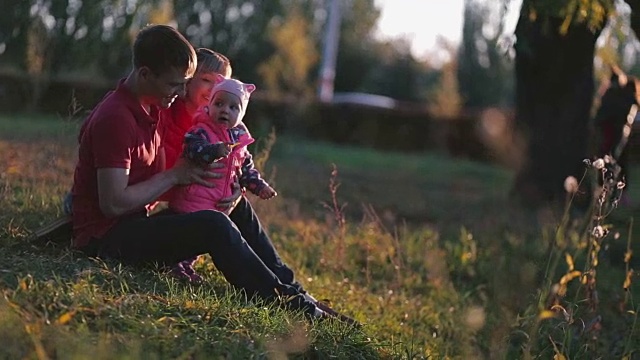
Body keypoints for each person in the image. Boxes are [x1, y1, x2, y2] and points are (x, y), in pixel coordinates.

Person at [70, 24, 356, 324]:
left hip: (136, 223)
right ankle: (295, 307)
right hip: (106, 240)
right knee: (213, 225)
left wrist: (228, 186)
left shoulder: (152, 105)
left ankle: (296, 293)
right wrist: (175, 175)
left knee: (235, 207)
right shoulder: (116, 118)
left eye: (185, 84)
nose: (181, 92)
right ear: (144, 75)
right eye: (174, 85)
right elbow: (112, 204)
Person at [158, 48, 234, 282]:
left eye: (221, 84)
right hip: (141, 207)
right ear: (187, 81)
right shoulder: (166, 116)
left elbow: (232, 165)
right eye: (206, 80)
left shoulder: (218, 128)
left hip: (186, 203)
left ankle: (284, 284)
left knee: (236, 209)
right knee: (207, 216)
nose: (214, 90)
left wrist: (235, 190)